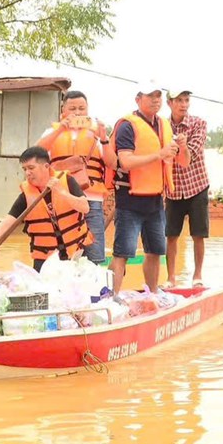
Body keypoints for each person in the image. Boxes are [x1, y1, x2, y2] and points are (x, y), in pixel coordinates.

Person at [110, 83, 182, 294]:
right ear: (138, 99)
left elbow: (179, 160)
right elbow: (125, 162)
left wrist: (180, 148)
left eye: (158, 95)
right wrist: (158, 154)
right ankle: (113, 297)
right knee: (122, 253)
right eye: (150, 95)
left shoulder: (164, 125)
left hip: (155, 200)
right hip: (130, 198)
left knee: (155, 251)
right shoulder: (127, 125)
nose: (155, 99)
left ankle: (153, 293)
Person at [36, 90, 116, 265]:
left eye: (82, 108)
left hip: (91, 200)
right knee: (63, 255)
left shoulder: (97, 133)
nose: (78, 112)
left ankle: (94, 289)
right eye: (72, 108)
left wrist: (104, 139)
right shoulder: (52, 131)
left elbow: (112, 163)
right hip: (61, 199)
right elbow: (36, 155)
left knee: (94, 254)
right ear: (63, 110)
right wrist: (60, 130)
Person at [0, 146, 90, 272]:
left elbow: (85, 207)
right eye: (24, 169)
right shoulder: (26, 195)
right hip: (45, 259)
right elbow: (8, 221)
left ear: (46, 166)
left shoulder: (67, 181)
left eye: (31, 168)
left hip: (75, 253)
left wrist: (61, 192)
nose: (27, 173)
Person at [163, 88, 208, 288]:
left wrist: (183, 147)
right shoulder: (162, 127)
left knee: (198, 234)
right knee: (171, 234)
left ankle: (197, 276)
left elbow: (189, 159)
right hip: (173, 189)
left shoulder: (198, 124)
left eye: (186, 100)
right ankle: (170, 278)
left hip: (197, 186)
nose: (183, 104)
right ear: (169, 103)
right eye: (178, 100)